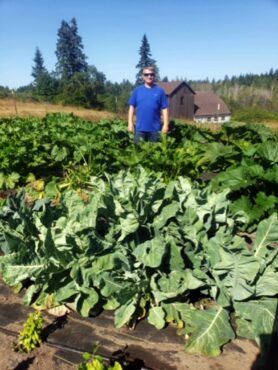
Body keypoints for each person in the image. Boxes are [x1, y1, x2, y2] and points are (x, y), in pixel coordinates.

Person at [128, 66, 169, 144]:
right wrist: (130, 123)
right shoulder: (137, 91)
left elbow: (165, 108)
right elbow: (131, 107)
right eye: (146, 74)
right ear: (143, 76)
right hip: (139, 129)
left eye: (151, 74)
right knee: (139, 153)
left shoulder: (160, 91)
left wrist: (166, 124)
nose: (149, 76)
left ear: (154, 75)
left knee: (154, 154)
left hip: (155, 130)